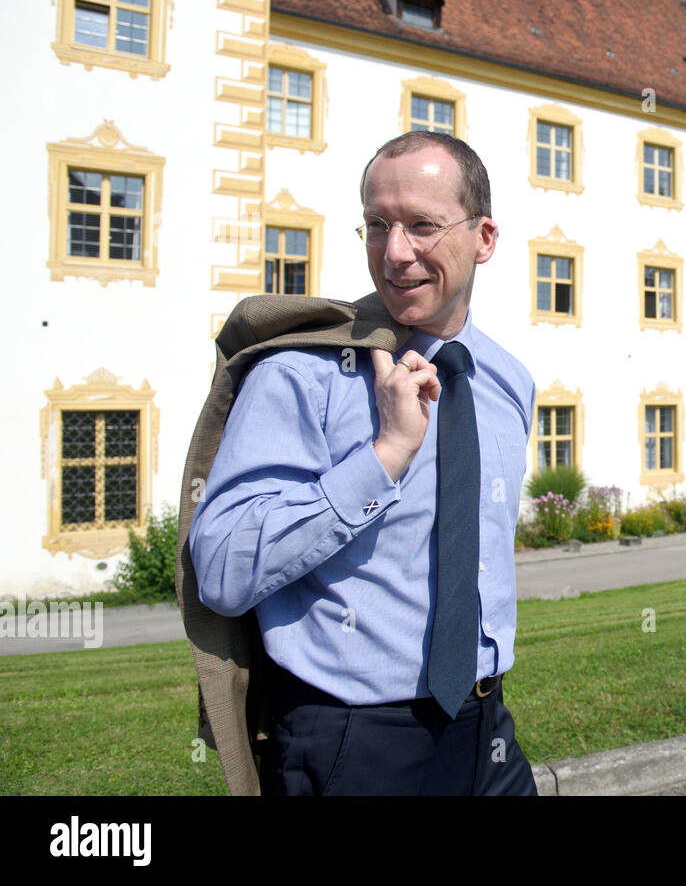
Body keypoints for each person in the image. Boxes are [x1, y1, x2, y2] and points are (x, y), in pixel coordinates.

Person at [187, 131, 537, 795]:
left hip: (485, 726)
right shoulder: (299, 374)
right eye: (377, 225)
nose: (395, 252)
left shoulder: (507, 380)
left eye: (422, 226)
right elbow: (223, 569)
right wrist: (383, 457)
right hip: (355, 743)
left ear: (485, 237)